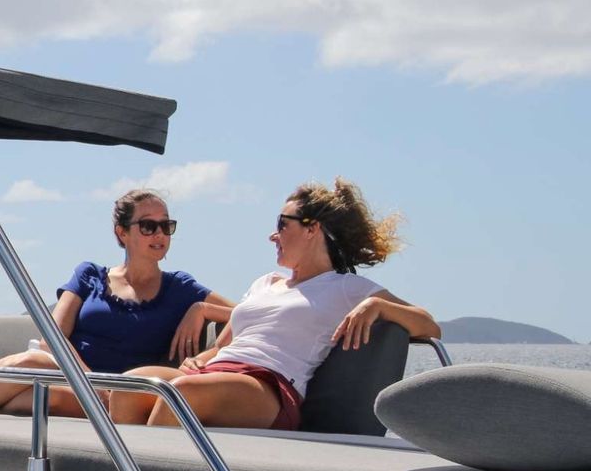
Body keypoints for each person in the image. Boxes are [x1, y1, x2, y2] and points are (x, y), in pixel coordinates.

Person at [117, 178, 440, 430]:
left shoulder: (346, 287)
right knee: (130, 385)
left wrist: (377, 307)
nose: (273, 236)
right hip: (217, 372)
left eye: (282, 224)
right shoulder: (264, 284)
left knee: (182, 393)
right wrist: (199, 358)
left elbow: (429, 324)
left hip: (268, 386)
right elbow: (226, 345)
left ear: (312, 228)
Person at [0, 189, 231, 416]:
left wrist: (200, 309)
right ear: (121, 233)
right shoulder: (89, 275)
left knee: (33, 378)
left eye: (166, 226)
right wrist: (88, 382)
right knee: (32, 371)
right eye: (148, 226)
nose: (159, 234)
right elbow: (52, 339)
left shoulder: (181, 288)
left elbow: (248, 314)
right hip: (76, 381)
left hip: (120, 399)